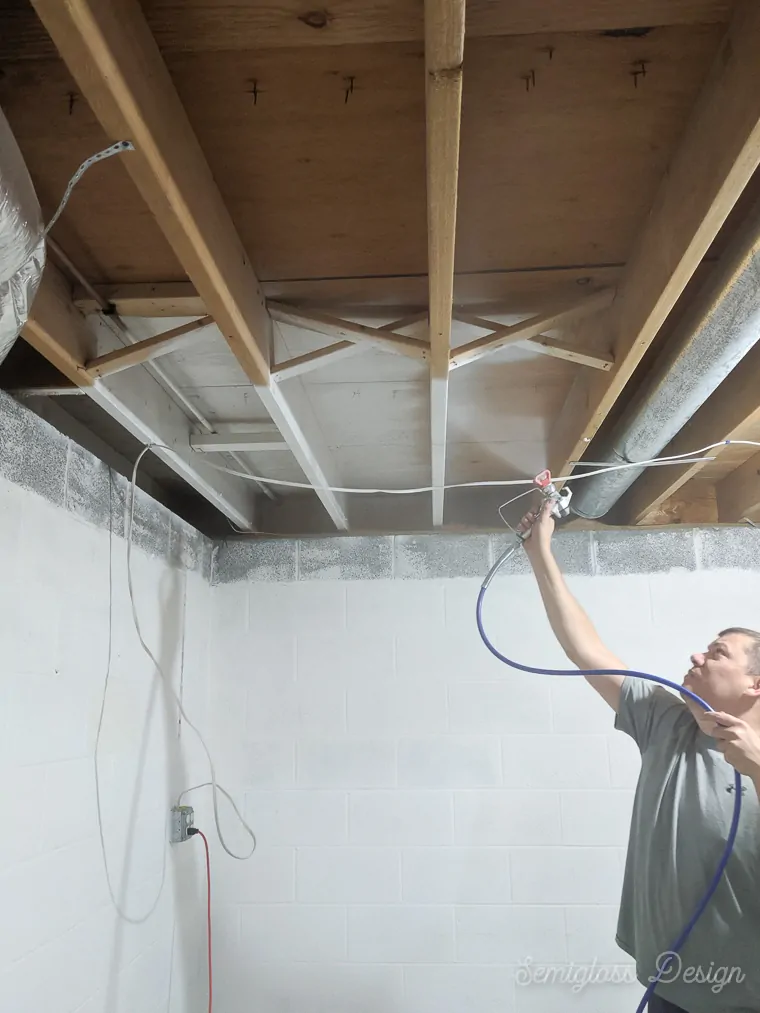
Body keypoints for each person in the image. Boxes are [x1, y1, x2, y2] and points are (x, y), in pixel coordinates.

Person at [518, 500, 760, 1013]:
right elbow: (585, 648)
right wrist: (540, 553)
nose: (697, 655)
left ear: (755, 683)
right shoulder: (666, 722)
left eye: (717, 653)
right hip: (666, 986)